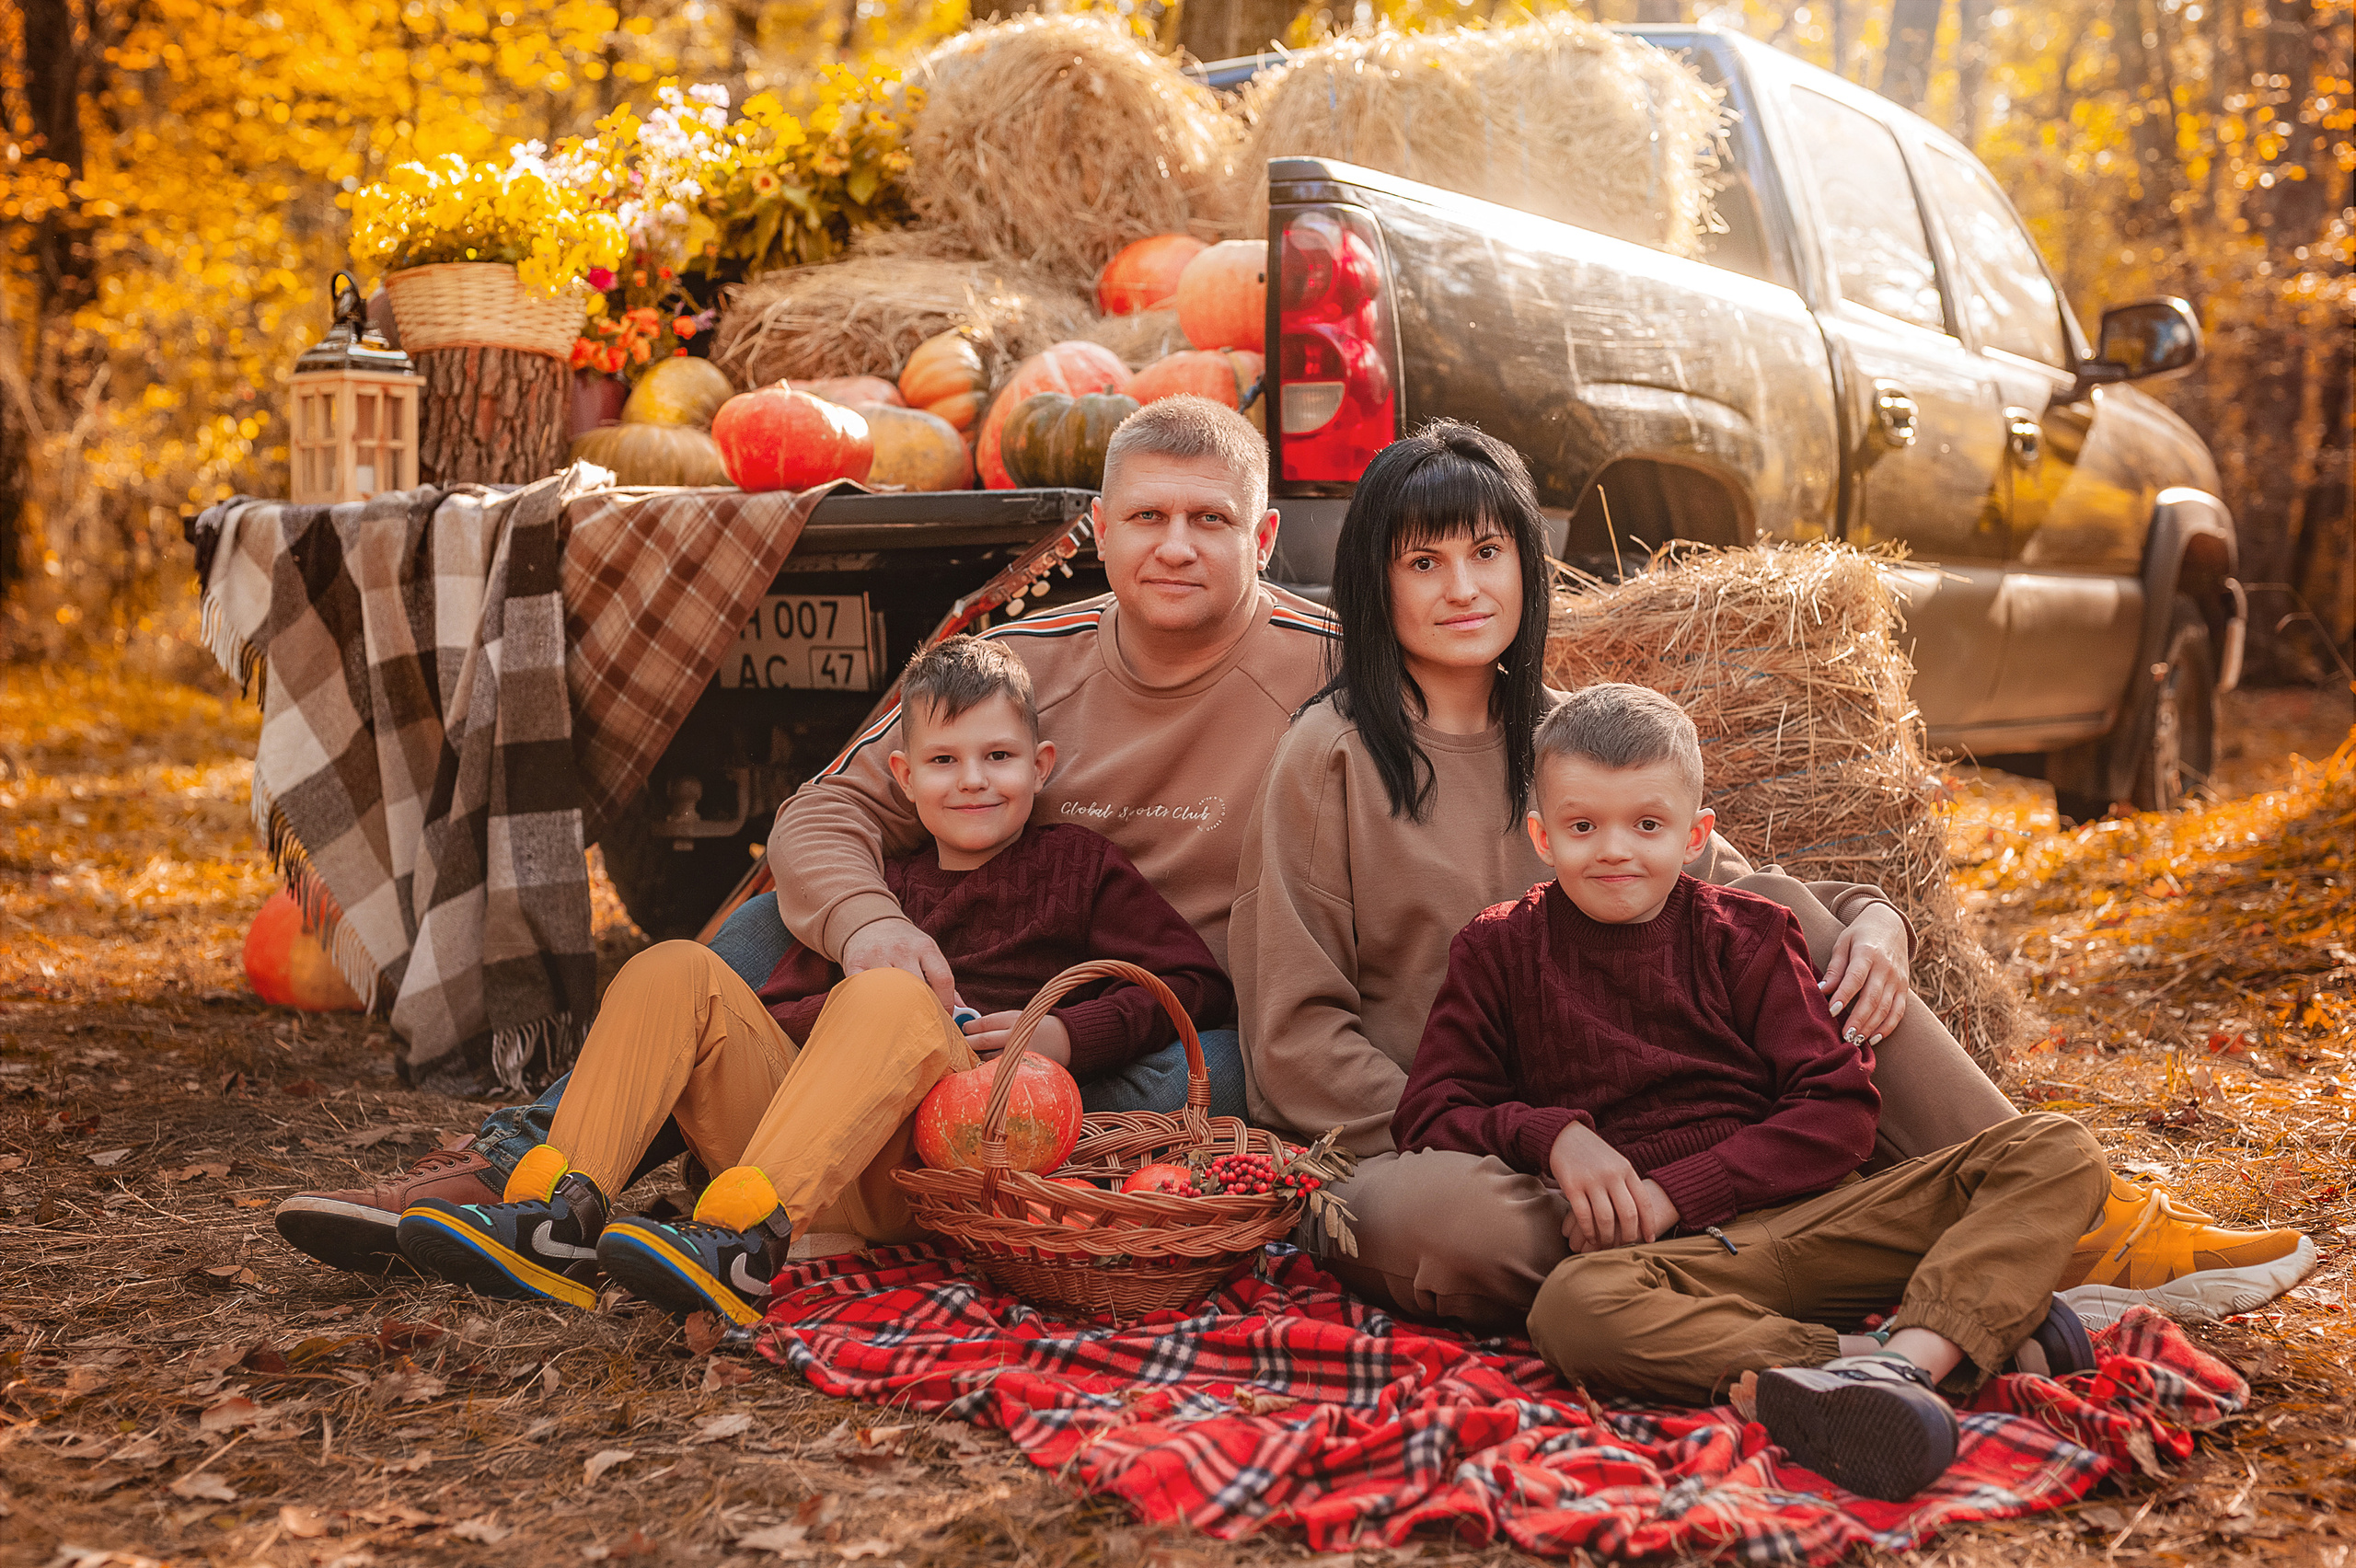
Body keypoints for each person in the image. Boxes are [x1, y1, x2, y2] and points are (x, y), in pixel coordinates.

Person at [1230, 420, 2315, 1332]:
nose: (1461, 587)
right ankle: (1889, 1256)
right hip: (1458, 1144)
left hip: (1641, 1128)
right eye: (1423, 563)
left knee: (1800, 921)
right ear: (1378, 584)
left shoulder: (1567, 739)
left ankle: (2086, 1226)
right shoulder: (1324, 758)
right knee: (1442, 1228)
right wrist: (1516, 1135)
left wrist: (1878, 924)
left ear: (1525, 562)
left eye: (1484, 552)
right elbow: (1294, 1043)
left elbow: (1739, 893)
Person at [273, 394, 1331, 1273]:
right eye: (1148, 518)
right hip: (938, 1015)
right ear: (1100, 528)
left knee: (1249, 1076)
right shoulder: (1024, 662)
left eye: (1211, 520)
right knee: (784, 915)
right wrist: (870, 926)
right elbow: (826, 811)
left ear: (1264, 537)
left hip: (1161, 1024)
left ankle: (792, 1202)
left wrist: (1062, 1034)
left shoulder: (1333, 668)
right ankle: (537, 1167)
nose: (1177, 547)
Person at [1399, 683, 2110, 1501]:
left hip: (1827, 1218)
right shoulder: (1497, 952)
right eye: (1583, 826)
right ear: (1541, 835)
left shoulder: (1749, 936)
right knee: (1570, 1309)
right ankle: (1889, 1362)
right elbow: (1432, 1109)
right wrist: (1554, 1136)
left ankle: (1903, 1359)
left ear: (1697, 834)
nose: (1615, 851)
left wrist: (1678, 1191)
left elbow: (1839, 1111)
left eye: (1649, 824)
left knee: (2057, 1148)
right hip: (1681, 1264)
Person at [394, 635, 1231, 1322]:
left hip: (933, 1162)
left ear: (1041, 765)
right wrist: (822, 1001)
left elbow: (1192, 981)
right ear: (903, 779)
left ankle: (738, 1243)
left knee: (893, 994)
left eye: (999, 756)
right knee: (672, 967)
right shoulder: (881, 888)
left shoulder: (1078, 867)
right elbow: (778, 1004)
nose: (973, 779)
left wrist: (1062, 1033)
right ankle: (555, 1215)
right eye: (943, 759)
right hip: (801, 1135)